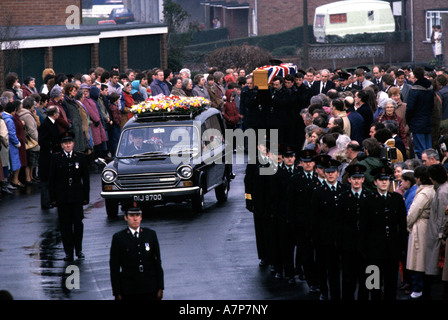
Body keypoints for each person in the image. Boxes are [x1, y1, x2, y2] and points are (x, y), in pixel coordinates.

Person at [359, 166, 407, 300]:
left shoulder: (397, 199)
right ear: (375, 182)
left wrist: (402, 247)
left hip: (392, 249)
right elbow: (363, 226)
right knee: (373, 284)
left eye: (386, 179)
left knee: (391, 284)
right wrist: (363, 249)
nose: (384, 182)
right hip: (373, 251)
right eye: (381, 180)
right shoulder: (367, 200)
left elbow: (402, 226)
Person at [311, 158, 349, 300]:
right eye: (328, 172)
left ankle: (335, 294)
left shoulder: (344, 190)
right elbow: (314, 216)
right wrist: (315, 237)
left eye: (333, 172)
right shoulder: (319, 192)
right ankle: (324, 291)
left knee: (336, 270)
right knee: (323, 267)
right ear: (324, 174)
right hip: (324, 237)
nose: (331, 174)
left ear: (338, 173)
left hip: (340, 236)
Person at [49, 132, 90, 261]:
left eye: (70, 143)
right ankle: (68, 252)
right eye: (65, 143)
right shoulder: (56, 158)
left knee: (78, 224)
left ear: (73, 144)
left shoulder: (80, 157)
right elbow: (52, 180)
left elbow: (86, 179)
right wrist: (53, 198)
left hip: (77, 196)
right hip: (62, 198)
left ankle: (79, 249)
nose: (68, 145)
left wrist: (85, 196)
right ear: (62, 145)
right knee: (65, 225)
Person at [109, 207, 164, 300]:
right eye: (131, 215)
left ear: (141, 217)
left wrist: (160, 287)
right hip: (129, 289)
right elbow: (114, 267)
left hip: (149, 287)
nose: (135, 219)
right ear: (126, 218)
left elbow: (157, 262)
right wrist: (117, 292)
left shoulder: (150, 235)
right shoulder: (119, 238)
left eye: (137, 215)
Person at [337, 164, 371, 300]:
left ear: (363, 179)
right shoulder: (343, 198)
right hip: (348, 246)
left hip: (366, 246)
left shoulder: (369, 197)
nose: (357, 181)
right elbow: (339, 224)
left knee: (366, 280)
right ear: (349, 180)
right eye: (354, 178)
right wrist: (340, 245)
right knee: (348, 280)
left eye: (359, 178)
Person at [406, 165, 435, 299]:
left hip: (420, 227)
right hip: (426, 226)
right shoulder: (432, 190)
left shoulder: (424, 193)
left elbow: (413, 212)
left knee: (418, 261)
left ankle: (417, 290)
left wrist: (407, 226)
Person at [424, 164, 448, 299]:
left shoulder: (443, 192)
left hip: (437, 236)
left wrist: (441, 235)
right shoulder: (441, 190)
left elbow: (442, 216)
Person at [405, 66, 434, 159]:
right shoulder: (430, 88)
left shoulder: (414, 90)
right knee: (429, 149)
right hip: (427, 120)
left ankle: (424, 169)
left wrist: (409, 121)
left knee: (420, 150)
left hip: (417, 123)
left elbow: (410, 108)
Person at [38, 106, 62, 209]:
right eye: (58, 113)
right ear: (54, 114)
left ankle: (53, 199)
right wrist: (53, 144)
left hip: (52, 154)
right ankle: (45, 202)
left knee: (53, 178)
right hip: (47, 156)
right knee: (45, 180)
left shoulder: (53, 123)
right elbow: (42, 141)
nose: (59, 114)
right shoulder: (45, 125)